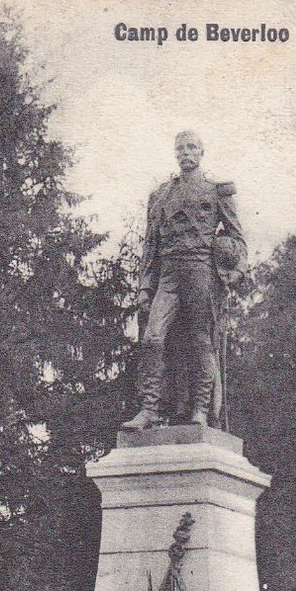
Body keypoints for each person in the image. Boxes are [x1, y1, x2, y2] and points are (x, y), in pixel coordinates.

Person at [122, 131, 247, 430]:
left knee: (201, 342)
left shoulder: (217, 192)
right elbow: (150, 246)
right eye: (180, 148)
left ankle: (201, 410)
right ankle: (150, 409)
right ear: (175, 153)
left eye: (192, 147)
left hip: (200, 271)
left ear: (202, 152)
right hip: (168, 274)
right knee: (153, 338)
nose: (185, 153)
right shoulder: (161, 195)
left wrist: (236, 269)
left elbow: (237, 237)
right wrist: (144, 286)